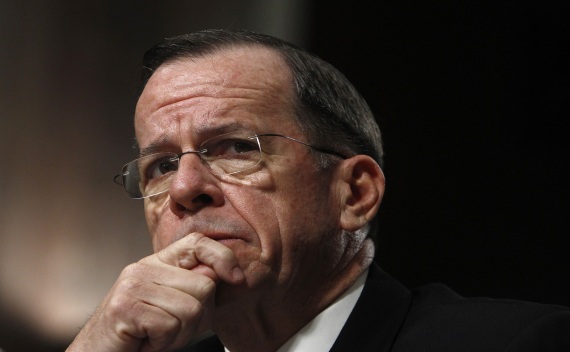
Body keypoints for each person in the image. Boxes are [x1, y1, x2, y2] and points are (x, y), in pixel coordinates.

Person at [67, 29, 570, 352]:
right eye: (161, 164)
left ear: (354, 193)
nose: (184, 188)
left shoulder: (518, 343)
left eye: (236, 148)